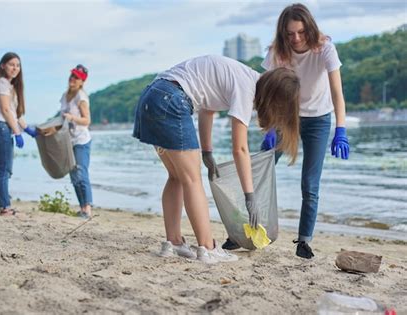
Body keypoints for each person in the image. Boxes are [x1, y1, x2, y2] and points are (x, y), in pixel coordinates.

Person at [133, 55, 300, 264]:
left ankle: (174, 242)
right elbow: (240, 148)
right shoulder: (246, 88)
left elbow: (207, 109)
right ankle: (208, 248)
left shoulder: (244, 77)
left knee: (176, 177)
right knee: (192, 180)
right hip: (171, 100)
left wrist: (207, 152)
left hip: (152, 97)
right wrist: (250, 196)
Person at [223, 3, 350, 259]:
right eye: (290, 33)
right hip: (284, 118)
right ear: (283, 33)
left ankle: (304, 241)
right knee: (257, 172)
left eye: (301, 32)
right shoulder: (277, 52)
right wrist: (270, 126)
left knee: (309, 184)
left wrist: (341, 129)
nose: (296, 38)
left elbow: (337, 93)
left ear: (309, 29)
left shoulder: (325, 48)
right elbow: (266, 92)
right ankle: (240, 233)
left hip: (318, 119)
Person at [0, 52, 37, 216]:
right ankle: (4, 207)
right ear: (3, 65)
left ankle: (5, 203)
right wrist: (17, 132)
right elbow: (6, 110)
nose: (15, 68)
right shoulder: (2, 83)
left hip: (0, 128)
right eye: (12, 64)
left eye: (18, 65)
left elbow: (15, 114)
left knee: (6, 169)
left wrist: (28, 130)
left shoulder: (10, 86)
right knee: (3, 170)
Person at [59, 64, 93, 219]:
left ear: (82, 82)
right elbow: (61, 119)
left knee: (81, 172)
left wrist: (72, 118)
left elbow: (87, 120)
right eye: (71, 76)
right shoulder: (65, 95)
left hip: (81, 140)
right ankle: (81, 207)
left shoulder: (81, 97)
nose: (72, 79)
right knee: (73, 176)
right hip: (68, 141)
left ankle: (88, 208)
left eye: (76, 77)